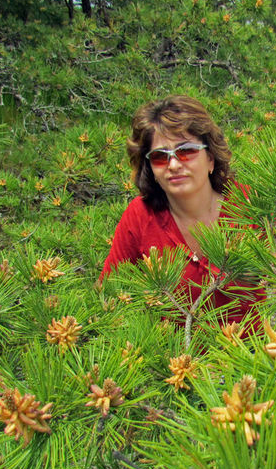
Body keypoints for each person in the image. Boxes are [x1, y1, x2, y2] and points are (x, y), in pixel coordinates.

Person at [99, 95, 259, 323]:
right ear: (150, 168)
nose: (173, 165)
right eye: (159, 157)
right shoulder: (140, 217)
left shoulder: (250, 205)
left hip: (258, 355)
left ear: (210, 157)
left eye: (186, 151)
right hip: (176, 357)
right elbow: (108, 296)